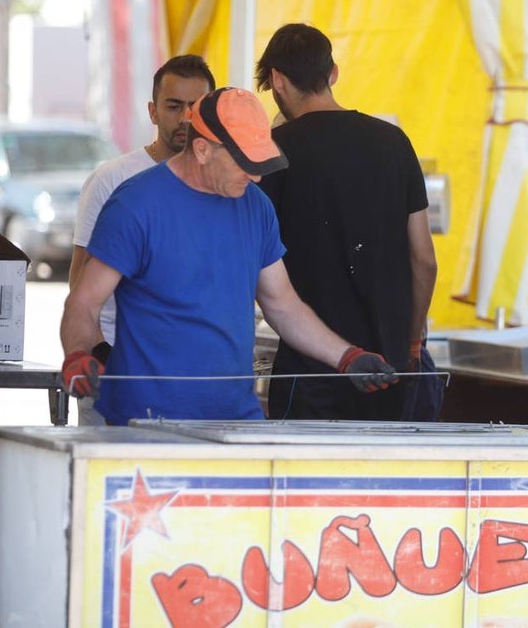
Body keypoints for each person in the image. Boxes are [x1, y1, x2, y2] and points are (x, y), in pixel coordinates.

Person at [60, 87, 397, 425]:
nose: (256, 176)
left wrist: (347, 357)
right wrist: (77, 353)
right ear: (203, 149)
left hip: (234, 417)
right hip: (146, 420)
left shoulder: (256, 206)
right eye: (244, 163)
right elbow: (84, 302)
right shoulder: (136, 205)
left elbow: (283, 305)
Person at [255, 23, 439, 421]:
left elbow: (256, 260)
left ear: (277, 81)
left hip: (311, 369)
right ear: (333, 73)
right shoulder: (394, 142)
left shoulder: (274, 153)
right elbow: (424, 260)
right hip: (388, 369)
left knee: (308, 464)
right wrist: (410, 340)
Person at [67, 55, 216, 425]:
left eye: (196, 107)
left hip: (193, 381)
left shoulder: (222, 183)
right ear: (153, 111)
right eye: (173, 106)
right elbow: (80, 281)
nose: (185, 118)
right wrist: (99, 354)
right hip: (117, 373)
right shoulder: (112, 179)